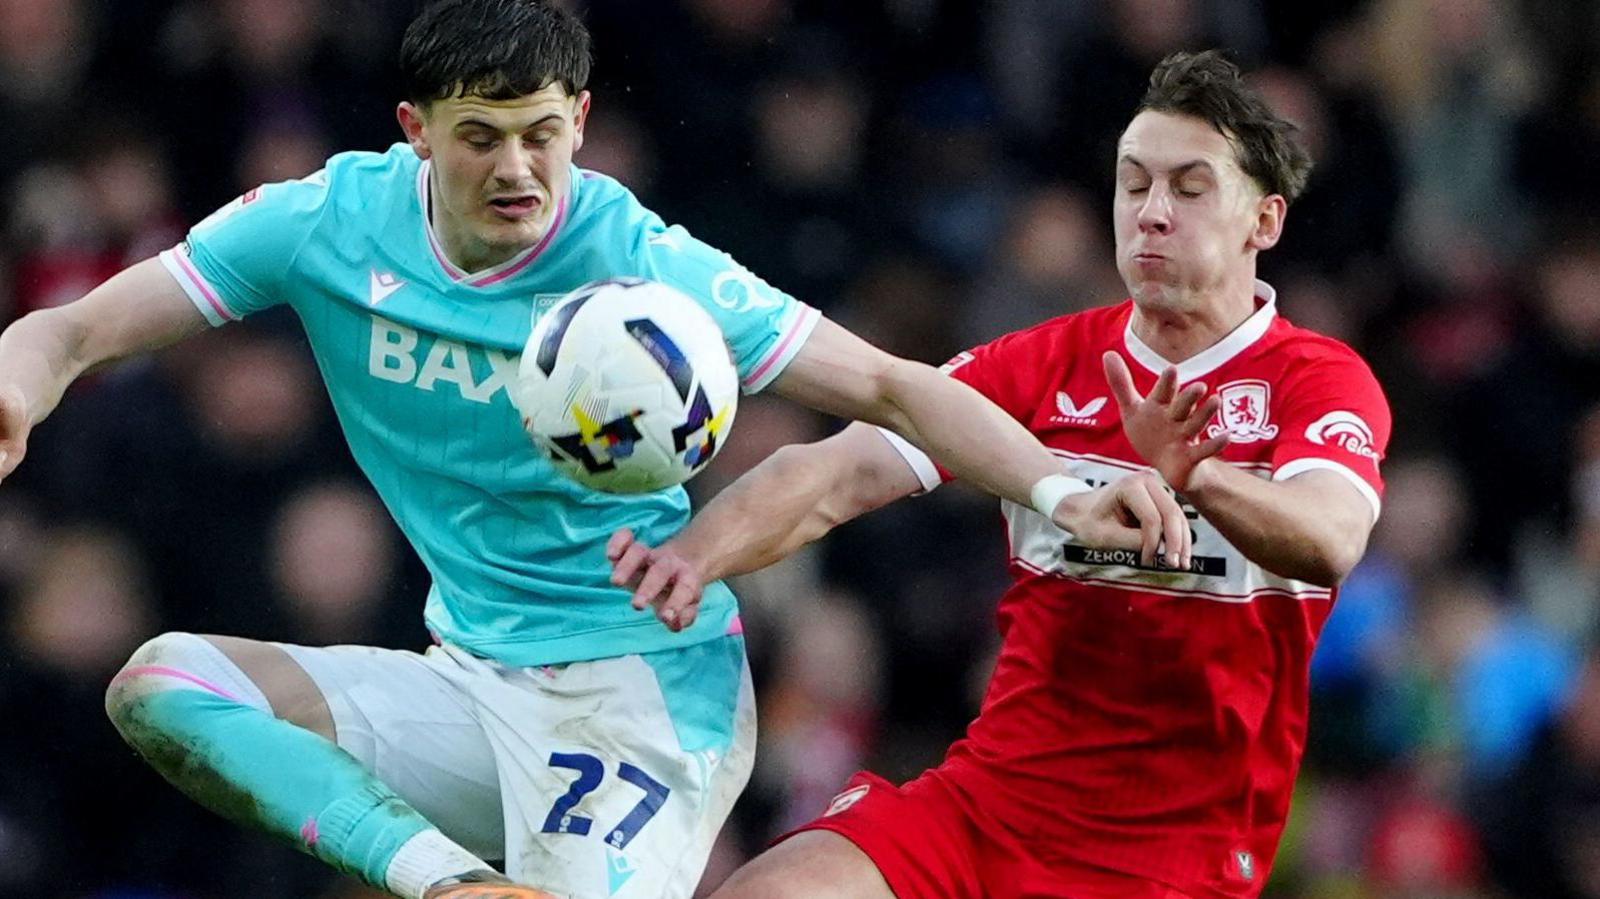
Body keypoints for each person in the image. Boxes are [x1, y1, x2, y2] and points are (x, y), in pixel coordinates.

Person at [0, 2, 1195, 898]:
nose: (515, 169)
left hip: (643, 697)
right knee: (164, 685)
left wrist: (1058, 489)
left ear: (578, 121)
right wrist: (16, 385)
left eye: (540, 134)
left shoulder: (639, 263)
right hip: (474, 679)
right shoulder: (325, 221)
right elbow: (71, 331)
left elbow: (889, 383)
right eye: (479, 137)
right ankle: (453, 883)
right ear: (416, 132)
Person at [610, 50, 1391, 899]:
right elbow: (834, 472)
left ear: (1263, 221)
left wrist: (1201, 479)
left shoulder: (1317, 381)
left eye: (1190, 188)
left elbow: (1330, 539)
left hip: (1177, 849)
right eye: (1134, 184)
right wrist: (692, 555)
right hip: (992, 805)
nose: (1153, 212)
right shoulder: (1040, 363)